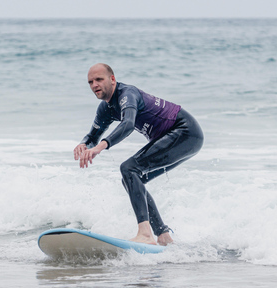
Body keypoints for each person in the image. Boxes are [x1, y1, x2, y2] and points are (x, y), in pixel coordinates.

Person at [73, 63, 204, 246]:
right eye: (90, 82)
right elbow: (93, 135)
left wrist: (100, 147)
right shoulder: (106, 108)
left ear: (112, 79)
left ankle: (145, 233)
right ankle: (163, 235)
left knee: (129, 169)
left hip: (185, 132)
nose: (94, 85)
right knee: (131, 177)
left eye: (99, 79)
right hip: (180, 138)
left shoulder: (128, 94)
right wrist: (84, 144)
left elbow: (127, 124)